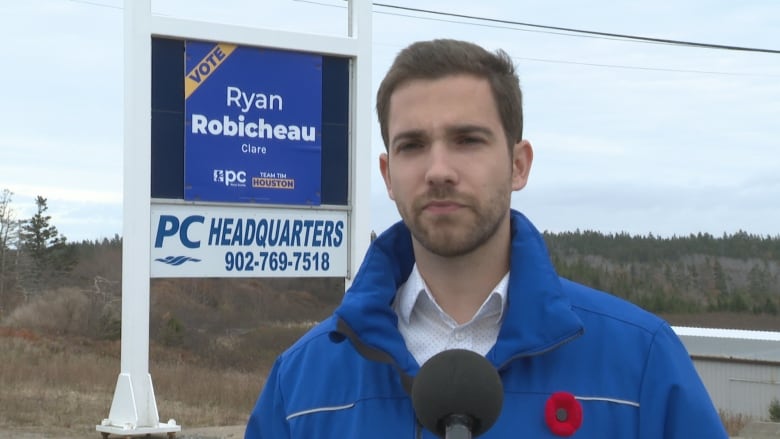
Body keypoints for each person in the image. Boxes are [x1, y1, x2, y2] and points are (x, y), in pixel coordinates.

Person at [244, 39, 727, 438]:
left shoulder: (639, 363)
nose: (438, 170)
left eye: (468, 140)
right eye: (412, 145)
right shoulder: (301, 387)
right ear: (388, 175)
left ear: (519, 165)